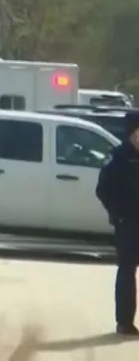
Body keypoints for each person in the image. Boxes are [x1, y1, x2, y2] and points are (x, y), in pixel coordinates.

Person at [96, 112, 139, 335]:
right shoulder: (119, 157)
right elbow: (103, 190)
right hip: (128, 223)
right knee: (127, 271)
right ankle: (124, 322)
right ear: (130, 133)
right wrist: (118, 214)